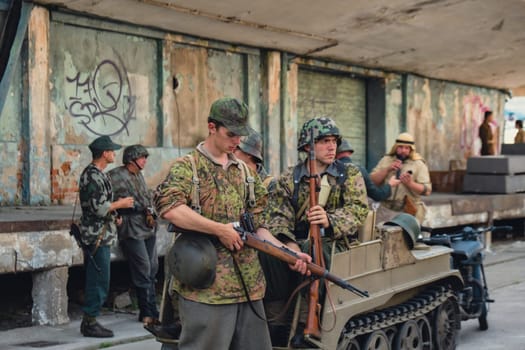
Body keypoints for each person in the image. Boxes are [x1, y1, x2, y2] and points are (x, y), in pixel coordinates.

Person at [153, 97, 310, 350]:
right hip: (206, 289)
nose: (237, 141)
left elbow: (259, 227)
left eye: (241, 134)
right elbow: (170, 210)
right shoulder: (189, 168)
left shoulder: (246, 174)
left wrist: (289, 254)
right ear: (212, 127)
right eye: (231, 134)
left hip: (249, 287)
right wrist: (219, 229)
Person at [260, 117, 369, 347]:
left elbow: (358, 210)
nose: (332, 147)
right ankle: (274, 318)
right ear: (308, 147)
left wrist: (329, 220)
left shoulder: (349, 174)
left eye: (334, 141)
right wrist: (291, 250)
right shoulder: (290, 178)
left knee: (313, 253)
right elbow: (278, 218)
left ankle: (304, 324)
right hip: (297, 245)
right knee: (266, 254)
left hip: (335, 243)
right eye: (324, 141)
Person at [78, 136, 135, 338]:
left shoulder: (97, 174)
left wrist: (115, 215)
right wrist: (120, 204)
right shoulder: (92, 176)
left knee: (100, 278)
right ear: (104, 153)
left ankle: (91, 320)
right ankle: (90, 323)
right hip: (96, 236)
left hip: (101, 234)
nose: (114, 153)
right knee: (98, 280)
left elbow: (102, 205)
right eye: (112, 151)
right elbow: (97, 208)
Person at [108, 144, 160, 327]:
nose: (145, 160)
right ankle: (147, 311)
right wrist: (115, 215)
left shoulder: (138, 175)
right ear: (132, 159)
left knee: (153, 267)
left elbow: (144, 197)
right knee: (143, 268)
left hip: (147, 225)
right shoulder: (115, 176)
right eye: (142, 157)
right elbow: (107, 200)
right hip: (131, 227)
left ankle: (152, 310)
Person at [369, 132, 432, 224]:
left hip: (408, 211)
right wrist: (387, 169)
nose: (403, 150)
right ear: (396, 147)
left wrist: (410, 183)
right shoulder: (386, 160)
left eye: (406, 148)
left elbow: (427, 191)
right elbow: (372, 182)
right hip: (385, 210)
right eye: (400, 147)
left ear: (411, 149)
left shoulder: (419, 164)